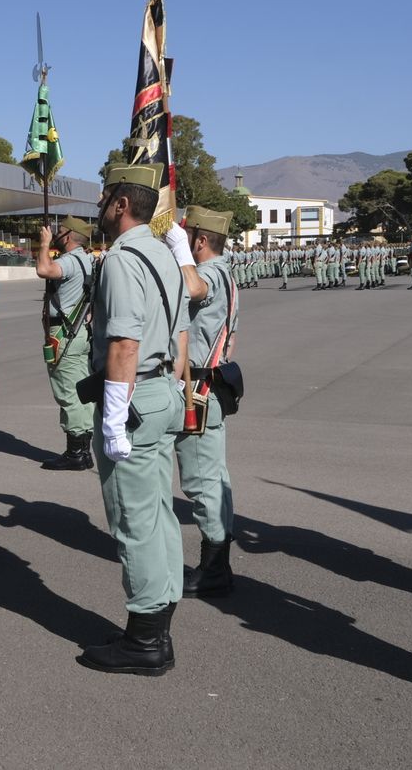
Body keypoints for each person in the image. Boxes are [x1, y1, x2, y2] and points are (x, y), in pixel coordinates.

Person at [76, 166, 188, 676]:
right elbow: (181, 333)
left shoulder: (122, 259)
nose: (99, 205)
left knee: (134, 520)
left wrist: (114, 421)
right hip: (161, 390)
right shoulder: (164, 254)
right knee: (159, 513)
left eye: (105, 197)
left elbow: (123, 343)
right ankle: (157, 622)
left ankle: (145, 640)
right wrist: (171, 387)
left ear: (121, 204)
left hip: (134, 395)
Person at [169, 207, 241, 597]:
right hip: (210, 385)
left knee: (201, 482)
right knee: (215, 478)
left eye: (186, 236)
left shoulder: (210, 273)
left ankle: (214, 567)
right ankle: (219, 559)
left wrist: (178, 253)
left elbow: (195, 289)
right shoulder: (227, 272)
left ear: (199, 240)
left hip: (197, 389)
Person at [35, 216, 96, 471]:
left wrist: (44, 244)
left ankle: (76, 452)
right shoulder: (88, 260)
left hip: (64, 333)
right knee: (80, 391)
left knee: (68, 392)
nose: (55, 233)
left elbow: (44, 270)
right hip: (79, 331)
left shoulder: (70, 261)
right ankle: (83, 449)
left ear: (68, 236)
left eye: (59, 231)